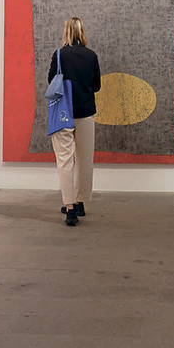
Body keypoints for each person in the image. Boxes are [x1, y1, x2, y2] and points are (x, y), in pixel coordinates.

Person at [47, 16, 101, 226]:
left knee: (65, 160)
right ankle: (80, 203)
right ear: (82, 31)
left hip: (63, 113)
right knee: (85, 161)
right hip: (85, 113)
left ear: (67, 32)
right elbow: (97, 86)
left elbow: (51, 82)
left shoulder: (60, 55)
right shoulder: (91, 56)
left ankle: (70, 209)